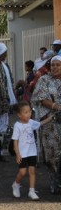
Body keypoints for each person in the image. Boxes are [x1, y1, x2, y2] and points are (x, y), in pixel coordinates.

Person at [31, 55, 61, 194]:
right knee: (52, 153)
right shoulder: (44, 79)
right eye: (53, 65)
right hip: (50, 121)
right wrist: (57, 106)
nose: (54, 67)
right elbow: (41, 98)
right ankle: (54, 180)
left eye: (58, 65)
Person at [11, 101, 53, 201]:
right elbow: (15, 141)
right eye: (25, 112)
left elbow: (40, 123)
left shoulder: (31, 122)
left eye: (30, 111)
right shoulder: (17, 125)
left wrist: (50, 118)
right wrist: (17, 154)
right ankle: (16, 185)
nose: (29, 113)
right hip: (22, 153)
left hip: (32, 152)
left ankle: (32, 191)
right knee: (22, 172)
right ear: (19, 115)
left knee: (32, 171)